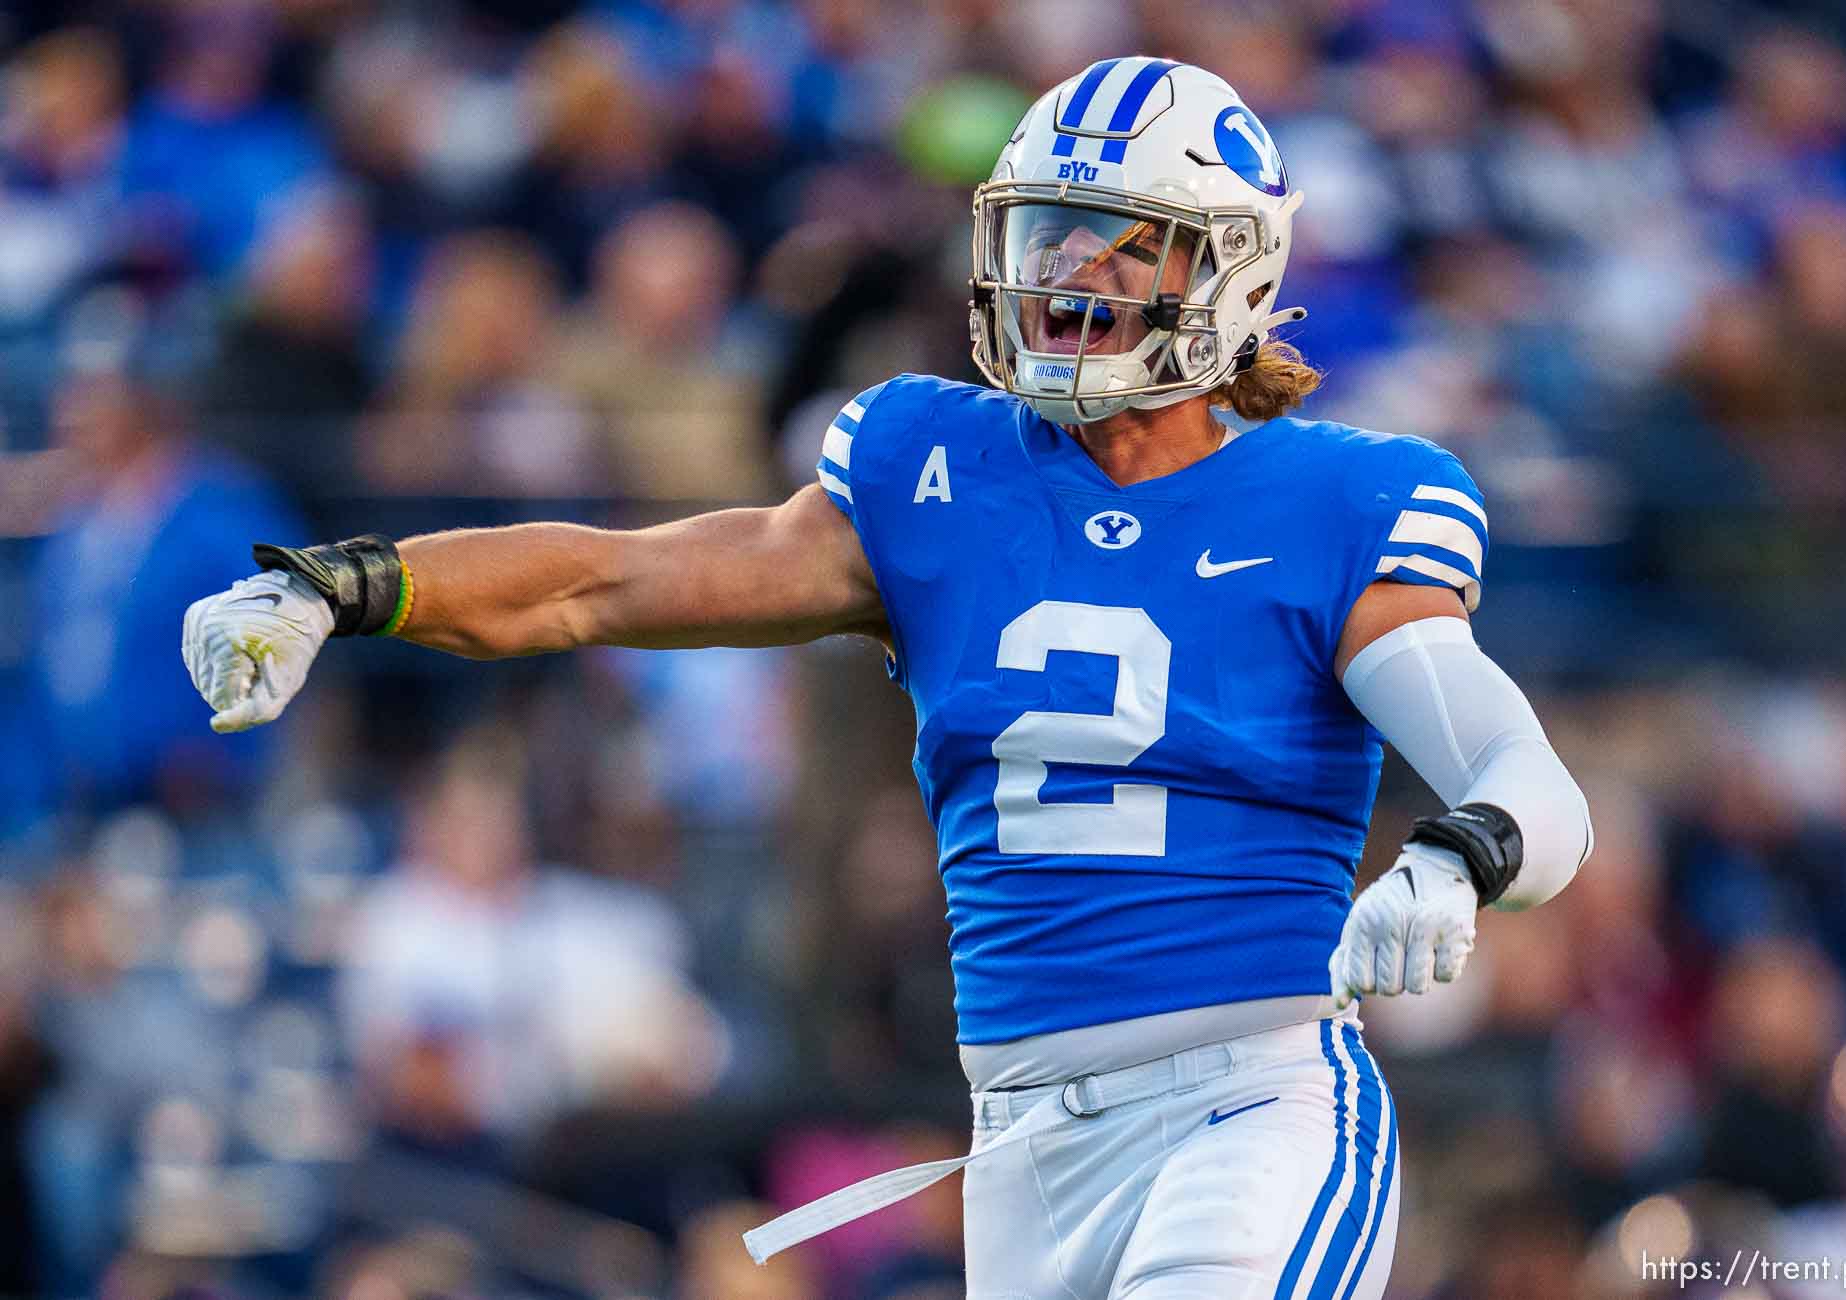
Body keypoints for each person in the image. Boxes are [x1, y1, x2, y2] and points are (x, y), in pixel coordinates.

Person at [182, 58, 1592, 1300]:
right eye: (1051, 234)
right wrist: (354, 583)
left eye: (1120, 243)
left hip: (1252, 1106)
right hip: (1023, 1139)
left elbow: (1517, 772)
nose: (1070, 272)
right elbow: (603, 580)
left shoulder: (1342, 495)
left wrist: (1458, 859)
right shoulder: (933, 468)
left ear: (1231, 271)